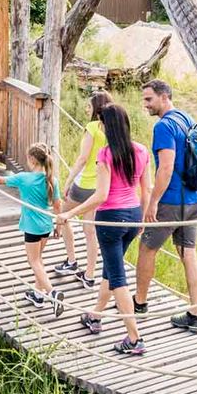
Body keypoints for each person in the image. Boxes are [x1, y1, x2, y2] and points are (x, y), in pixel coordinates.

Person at [57, 102, 151, 356]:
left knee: (118, 279)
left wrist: (69, 213)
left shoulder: (106, 155)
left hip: (110, 219)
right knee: (110, 270)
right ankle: (95, 315)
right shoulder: (141, 151)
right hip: (132, 217)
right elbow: (147, 189)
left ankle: (134, 339)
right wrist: (140, 219)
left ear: (105, 126)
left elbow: (101, 195)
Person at [136, 79, 197, 332]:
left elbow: (165, 168)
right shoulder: (187, 119)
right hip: (193, 199)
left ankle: (140, 304)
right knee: (189, 253)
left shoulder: (164, 127)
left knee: (146, 249)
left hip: (170, 201)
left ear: (164, 97)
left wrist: (152, 202)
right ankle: (196, 314)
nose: (145, 105)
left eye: (149, 99)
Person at [0, 143, 65, 315]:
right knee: (39, 260)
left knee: (34, 261)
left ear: (32, 160)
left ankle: (52, 293)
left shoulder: (24, 178)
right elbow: (58, 205)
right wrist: (59, 227)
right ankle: (38, 295)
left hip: (32, 227)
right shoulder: (52, 180)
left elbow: (1, 180)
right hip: (46, 225)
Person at [56, 90, 113, 288]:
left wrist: (68, 181)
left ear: (97, 108)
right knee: (90, 231)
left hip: (84, 184)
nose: (86, 109)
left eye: (89, 106)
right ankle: (89, 275)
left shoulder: (92, 127)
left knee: (63, 216)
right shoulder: (113, 130)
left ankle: (71, 260)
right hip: (101, 187)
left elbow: (82, 158)